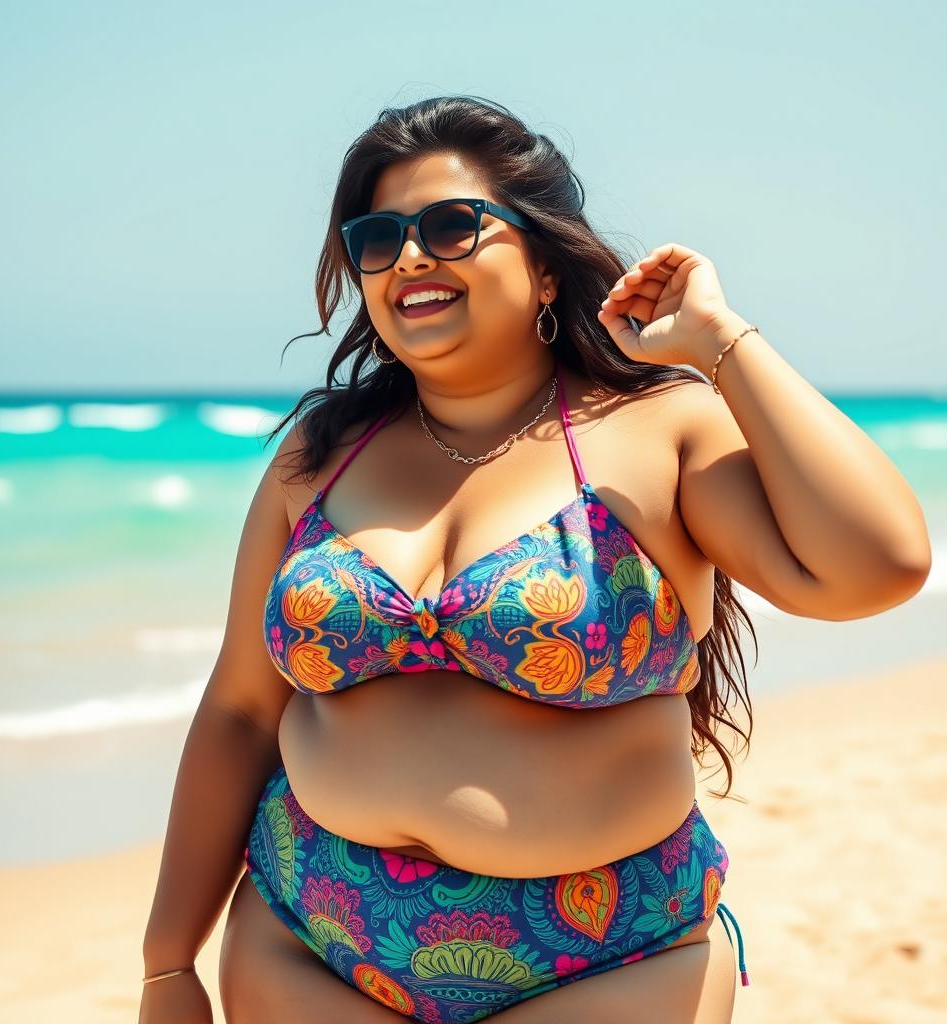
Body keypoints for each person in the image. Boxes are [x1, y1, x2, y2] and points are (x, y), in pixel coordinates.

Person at [139, 96, 932, 1024]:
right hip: (307, 947)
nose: (409, 257)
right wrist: (167, 965)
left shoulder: (660, 427)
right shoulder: (321, 454)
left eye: (449, 225)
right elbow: (239, 709)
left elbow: (876, 566)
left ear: (547, 267)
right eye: (377, 237)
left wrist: (722, 345)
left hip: (610, 968)